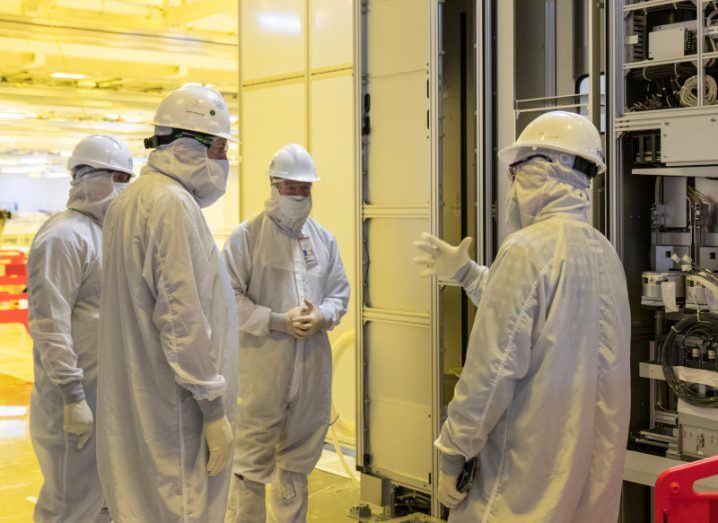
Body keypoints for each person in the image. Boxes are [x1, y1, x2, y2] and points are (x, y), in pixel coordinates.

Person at [414, 111, 631, 522]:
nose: (512, 185)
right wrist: (469, 275)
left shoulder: (527, 249)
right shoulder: (604, 253)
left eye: (516, 172)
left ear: (539, 171)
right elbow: (548, 324)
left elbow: (491, 370)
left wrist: (453, 451)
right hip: (586, 487)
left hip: (524, 482)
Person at [96, 84, 238, 522]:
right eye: (219, 149)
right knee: (180, 506)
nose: (223, 163)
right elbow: (182, 318)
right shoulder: (171, 204)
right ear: (190, 145)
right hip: (175, 410)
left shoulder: (131, 201)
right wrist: (213, 408)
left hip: (140, 404)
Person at [222, 143, 350, 522]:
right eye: (290, 187)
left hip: (310, 369)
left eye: (305, 188)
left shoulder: (322, 240)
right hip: (261, 372)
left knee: (295, 465)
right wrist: (278, 320)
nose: (298, 195)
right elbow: (227, 297)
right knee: (249, 466)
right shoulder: (247, 238)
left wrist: (323, 317)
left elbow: (339, 291)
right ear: (274, 187)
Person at [28, 134, 134, 522]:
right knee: (68, 507)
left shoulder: (109, 236)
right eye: (117, 178)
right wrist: (72, 395)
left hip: (106, 396)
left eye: (128, 179)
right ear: (86, 177)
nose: (124, 189)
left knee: (105, 502)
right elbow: (49, 324)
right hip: (72, 402)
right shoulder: (62, 236)